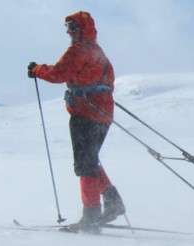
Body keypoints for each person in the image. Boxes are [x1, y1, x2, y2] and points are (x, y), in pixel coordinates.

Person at [27, 11, 125, 233]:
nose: (69, 32)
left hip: (85, 112)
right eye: (68, 28)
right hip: (103, 113)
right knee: (90, 159)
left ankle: (90, 217)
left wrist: (36, 70)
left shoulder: (79, 50)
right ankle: (112, 201)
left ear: (84, 28)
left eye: (73, 27)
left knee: (84, 164)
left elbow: (58, 74)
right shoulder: (99, 53)